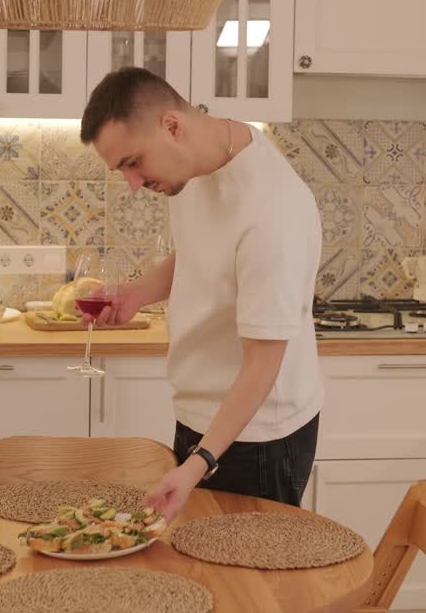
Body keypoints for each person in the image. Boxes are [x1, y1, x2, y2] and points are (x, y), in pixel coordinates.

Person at [79, 67, 323, 521]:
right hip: (201, 418)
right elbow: (196, 250)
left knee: (252, 587)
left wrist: (200, 463)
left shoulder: (274, 212)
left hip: (259, 435)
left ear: (172, 126)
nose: (133, 183)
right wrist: (137, 294)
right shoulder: (195, 162)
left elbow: (262, 366)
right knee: (196, 575)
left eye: (134, 163)